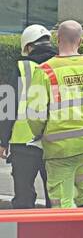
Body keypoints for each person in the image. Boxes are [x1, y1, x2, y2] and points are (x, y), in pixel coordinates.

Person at [26, 21, 83, 209]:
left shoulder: (45, 70)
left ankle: (66, 234)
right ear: (80, 41)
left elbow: (35, 115)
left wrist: (41, 134)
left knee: (62, 202)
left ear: (58, 40)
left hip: (59, 147)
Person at [0, 25, 56, 208]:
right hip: (57, 140)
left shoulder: (21, 67)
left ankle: (26, 235)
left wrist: (3, 141)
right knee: (55, 197)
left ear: (28, 46)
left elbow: (8, 106)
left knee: (23, 196)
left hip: (24, 143)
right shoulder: (61, 64)